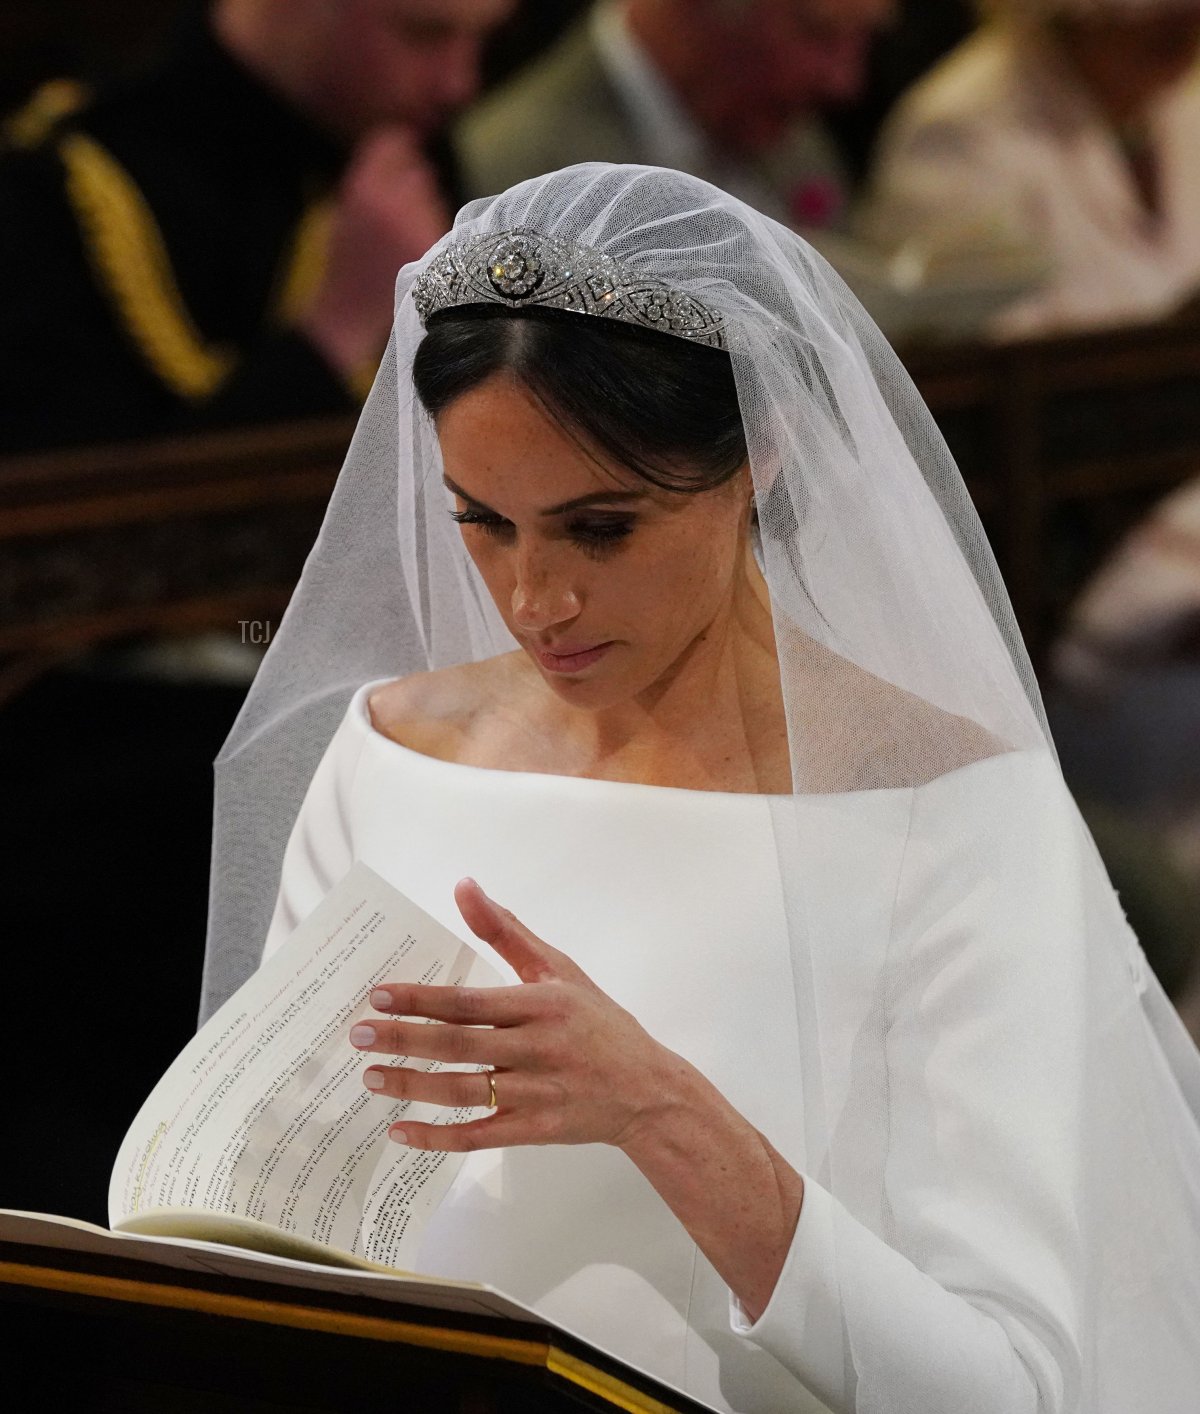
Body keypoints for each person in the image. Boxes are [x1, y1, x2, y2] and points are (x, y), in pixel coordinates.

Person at [201, 164, 1200, 1412]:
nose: (533, 600)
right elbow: (263, 1214)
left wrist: (660, 1109)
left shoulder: (948, 813)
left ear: (762, 456)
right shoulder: (388, 753)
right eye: (483, 520)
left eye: (600, 528)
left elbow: (1013, 1388)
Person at [0, 0, 514, 455]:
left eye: (483, 37)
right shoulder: (65, 187)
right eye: (423, 33)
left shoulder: (408, 145)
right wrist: (339, 326)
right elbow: (78, 517)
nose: (459, 83)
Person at [854, 0, 1200, 338]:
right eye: (1159, 9)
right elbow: (977, 342)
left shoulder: (1180, 105)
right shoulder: (961, 130)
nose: (1188, 24)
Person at [455, 0, 893, 231]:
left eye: (861, 39)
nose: (844, 83)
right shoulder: (515, 174)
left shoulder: (788, 135)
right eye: (818, 33)